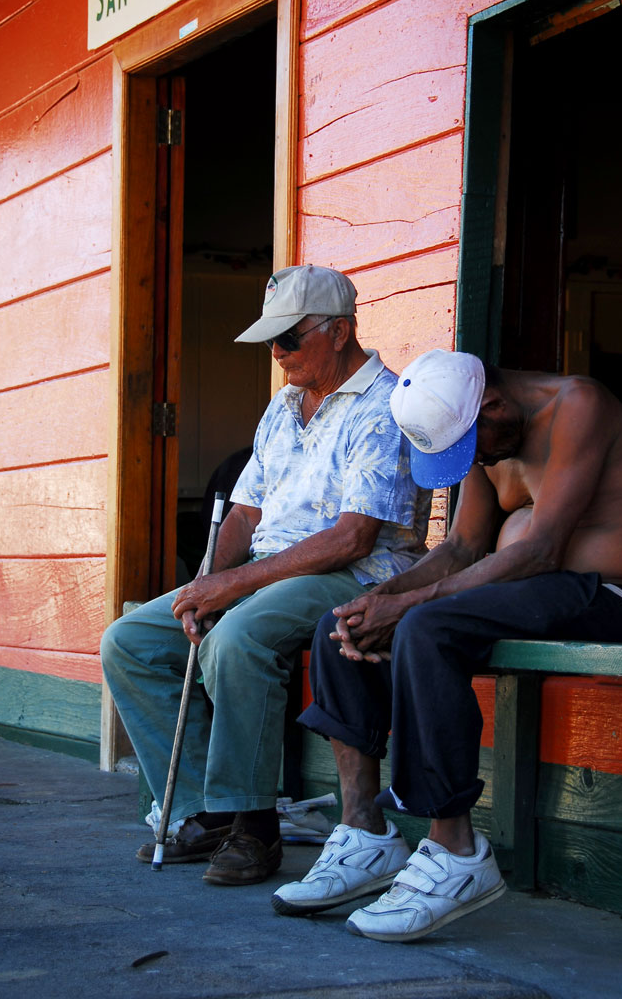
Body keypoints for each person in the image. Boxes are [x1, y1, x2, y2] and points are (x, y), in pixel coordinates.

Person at [272, 348, 622, 940]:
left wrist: (405, 607)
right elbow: (461, 548)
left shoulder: (578, 406)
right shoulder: (480, 426)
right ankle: (365, 836)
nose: (476, 460)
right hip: (527, 595)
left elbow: (542, 550)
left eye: (475, 445)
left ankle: (455, 851)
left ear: (493, 404)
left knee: (427, 628)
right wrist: (379, 602)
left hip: (605, 595)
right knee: (341, 623)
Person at [100, 265, 431, 886]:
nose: (277, 353)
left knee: (237, 638)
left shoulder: (384, 406)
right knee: (131, 641)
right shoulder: (282, 407)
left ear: (339, 331)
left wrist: (233, 589)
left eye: (289, 338)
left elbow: (352, 536)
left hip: (359, 573)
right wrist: (208, 585)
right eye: (271, 341)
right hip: (270, 569)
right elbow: (247, 509)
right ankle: (206, 811)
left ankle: (253, 827)